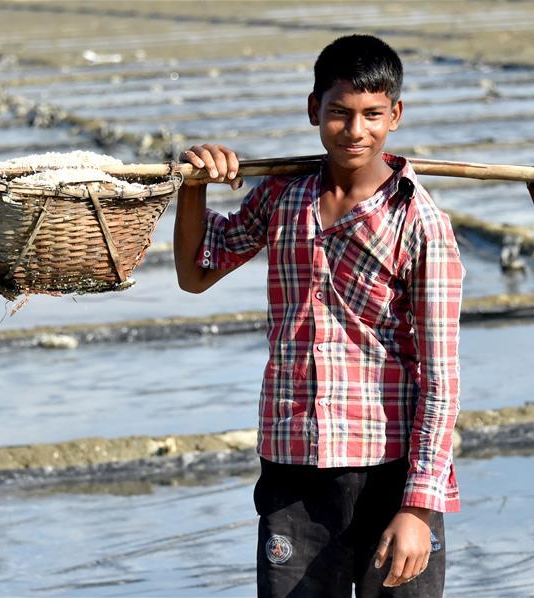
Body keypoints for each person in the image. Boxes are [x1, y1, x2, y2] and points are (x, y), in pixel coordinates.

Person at [173, 34, 463, 597]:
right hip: (294, 471)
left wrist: (419, 509)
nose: (356, 131)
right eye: (340, 113)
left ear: (395, 115)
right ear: (314, 110)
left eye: (372, 115)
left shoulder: (421, 224)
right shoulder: (283, 198)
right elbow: (195, 272)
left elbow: (441, 380)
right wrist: (195, 188)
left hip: (391, 472)